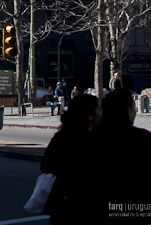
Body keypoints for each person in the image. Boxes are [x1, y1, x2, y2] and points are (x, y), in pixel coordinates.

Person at [95, 89, 151, 223]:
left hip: (102, 209)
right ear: (127, 109)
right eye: (134, 107)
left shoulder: (92, 138)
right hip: (138, 209)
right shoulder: (142, 138)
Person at [40, 93, 102, 224]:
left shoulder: (61, 136)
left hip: (62, 204)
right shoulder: (95, 140)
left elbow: (45, 165)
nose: (102, 114)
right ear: (90, 115)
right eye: (100, 109)